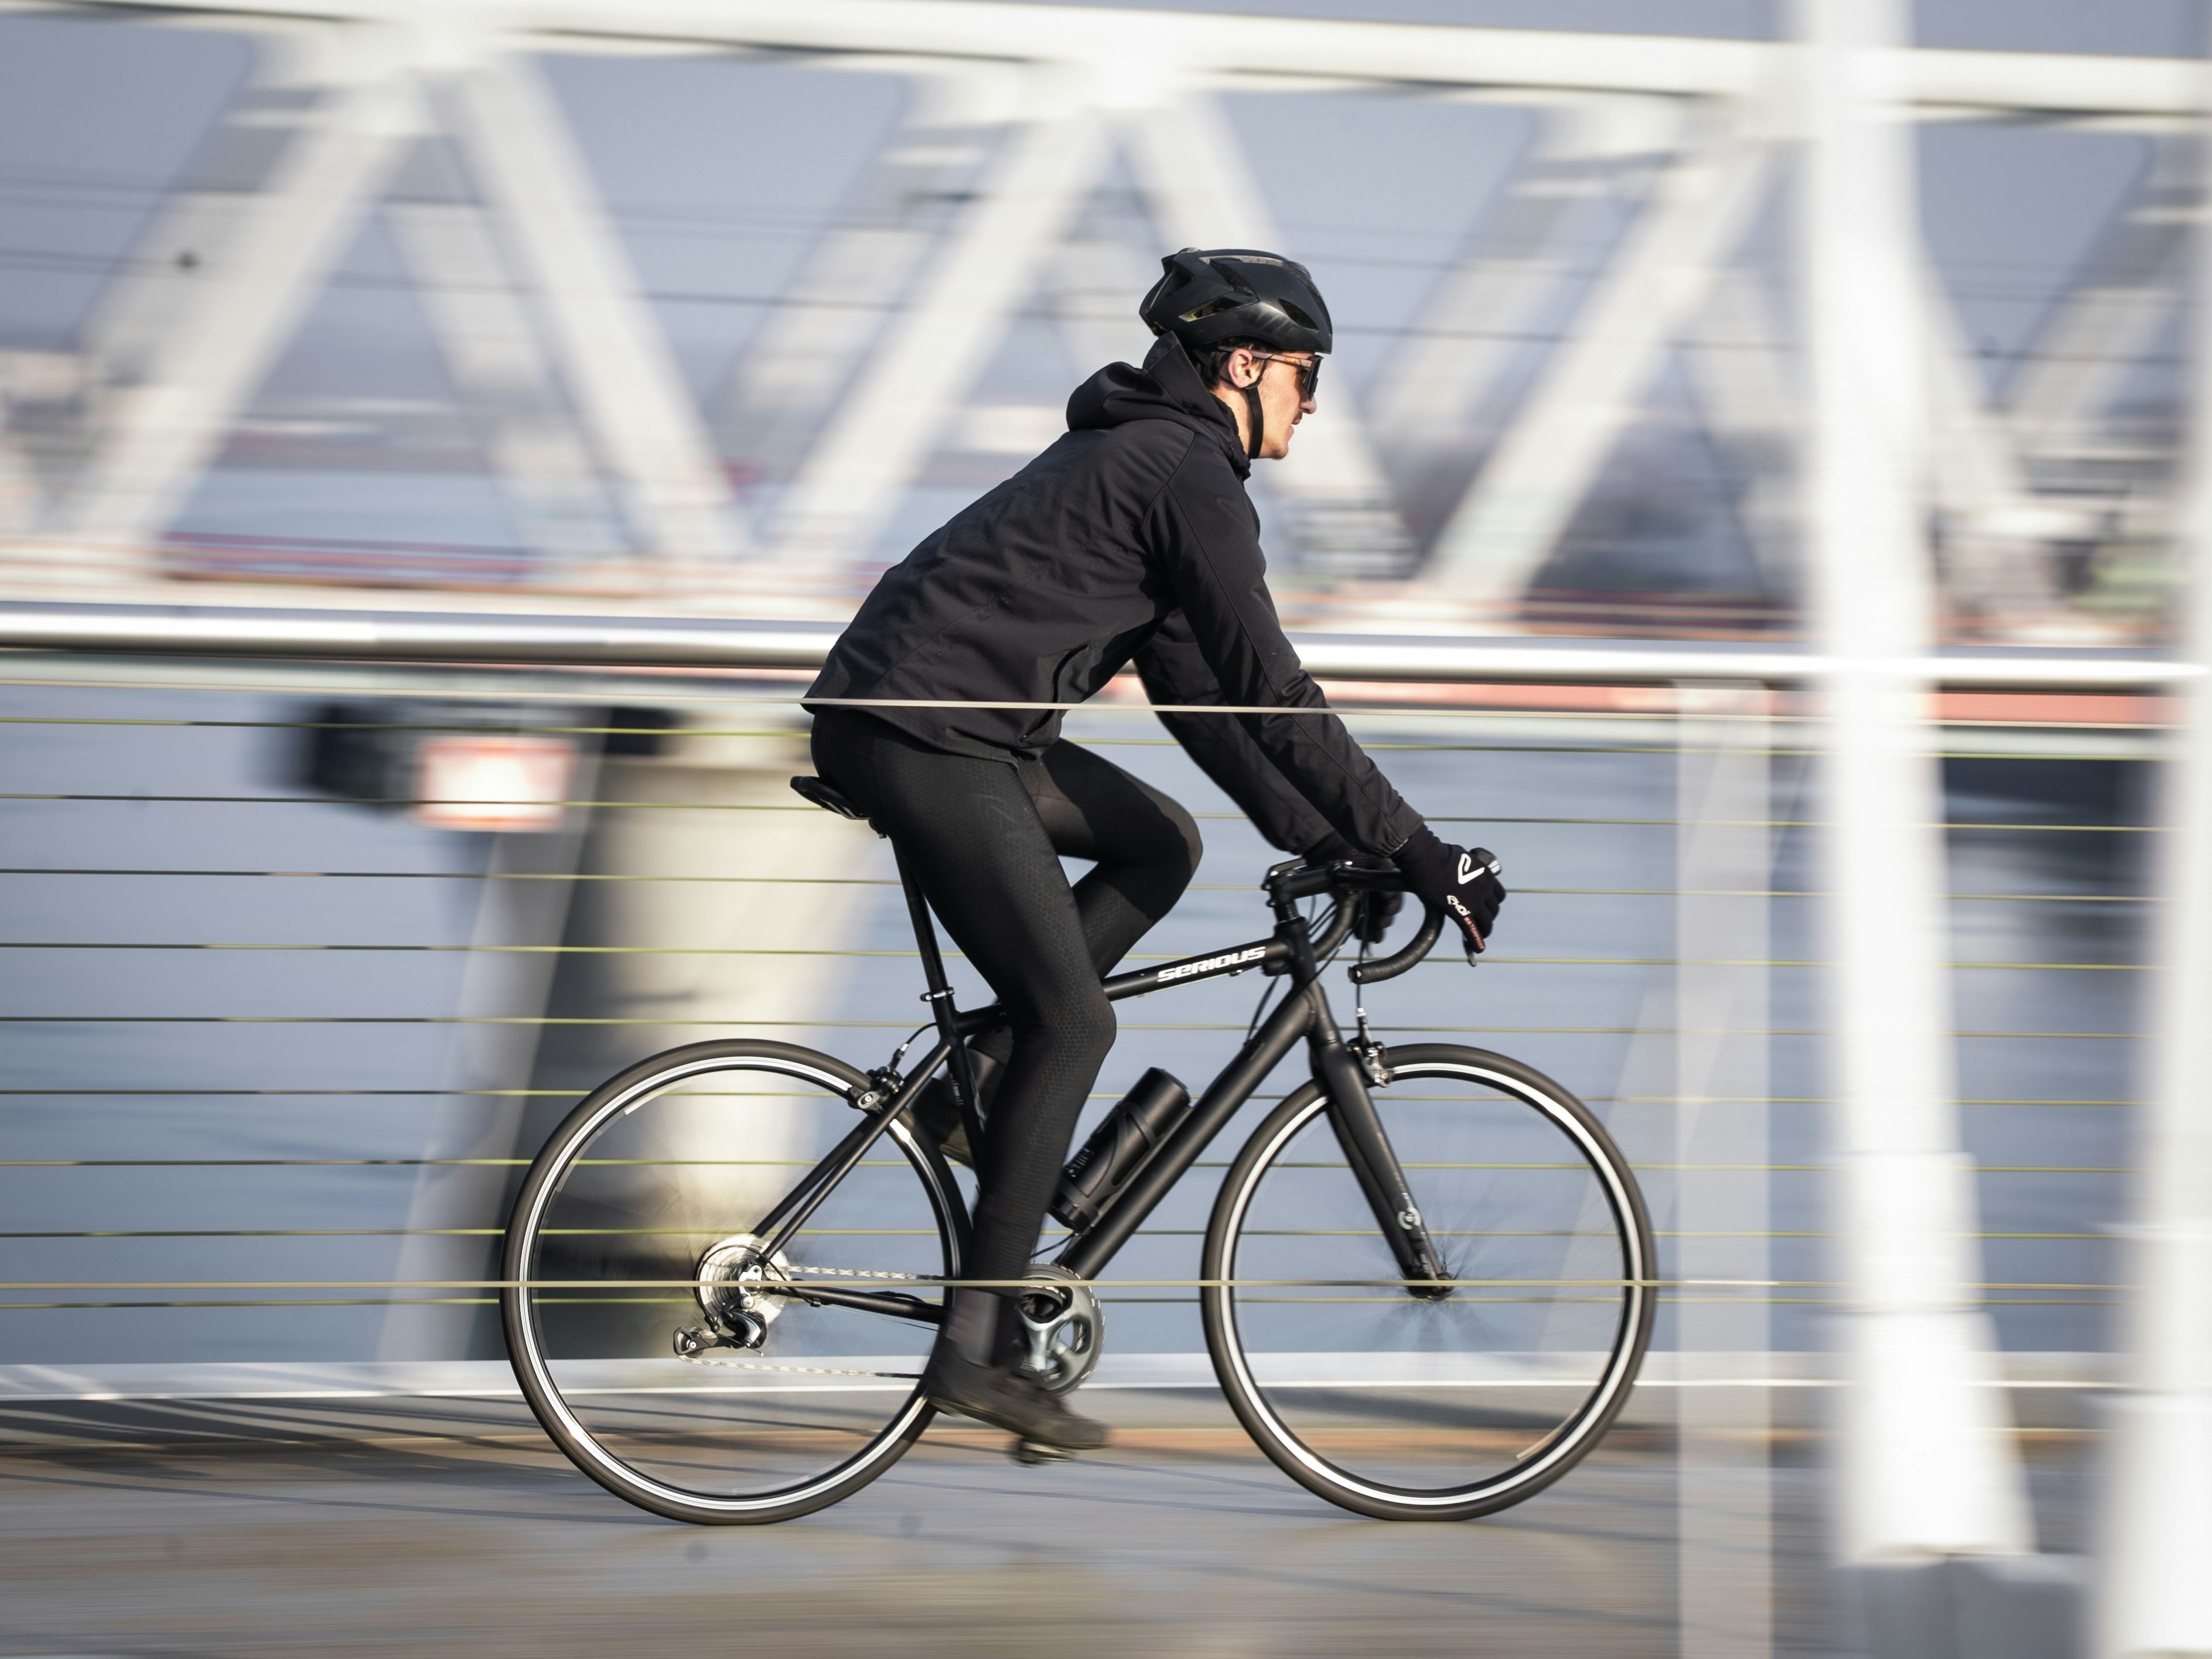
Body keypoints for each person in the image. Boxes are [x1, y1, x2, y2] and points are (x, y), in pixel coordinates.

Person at [803, 247, 1507, 1451]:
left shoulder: (1154, 460)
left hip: (938, 720)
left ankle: (978, 1092)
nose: (1313, 403)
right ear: (1244, 365)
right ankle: (972, 1353)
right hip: (927, 734)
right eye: (1304, 376)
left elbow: (1207, 700)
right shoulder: (1186, 470)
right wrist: (1422, 850)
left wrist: (1341, 844)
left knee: (1158, 841)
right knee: (1079, 1023)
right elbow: (1275, 687)